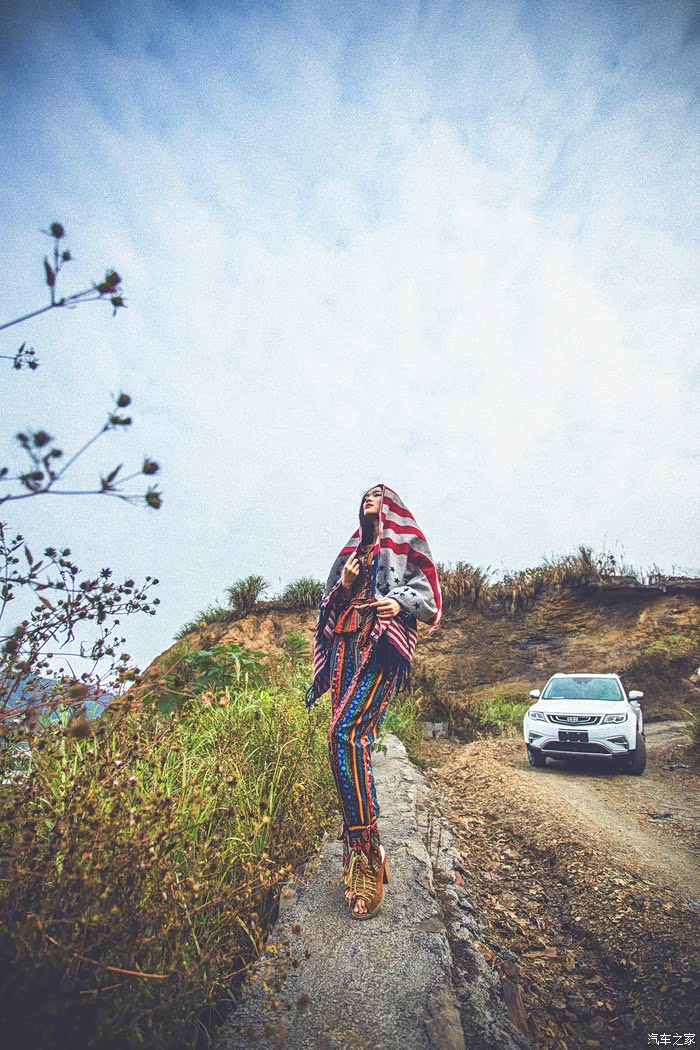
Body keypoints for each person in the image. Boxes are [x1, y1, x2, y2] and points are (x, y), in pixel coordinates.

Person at [305, 483, 442, 919]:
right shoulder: (350, 554)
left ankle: (366, 854)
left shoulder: (403, 544)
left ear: (392, 507)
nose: (370, 498)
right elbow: (328, 607)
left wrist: (396, 602)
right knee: (345, 745)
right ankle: (360, 854)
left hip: (380, 646)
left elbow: (429, 596)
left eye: (379, 495)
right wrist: (345, 585)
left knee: (344, 735)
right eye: (366, 494)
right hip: (344, 647)